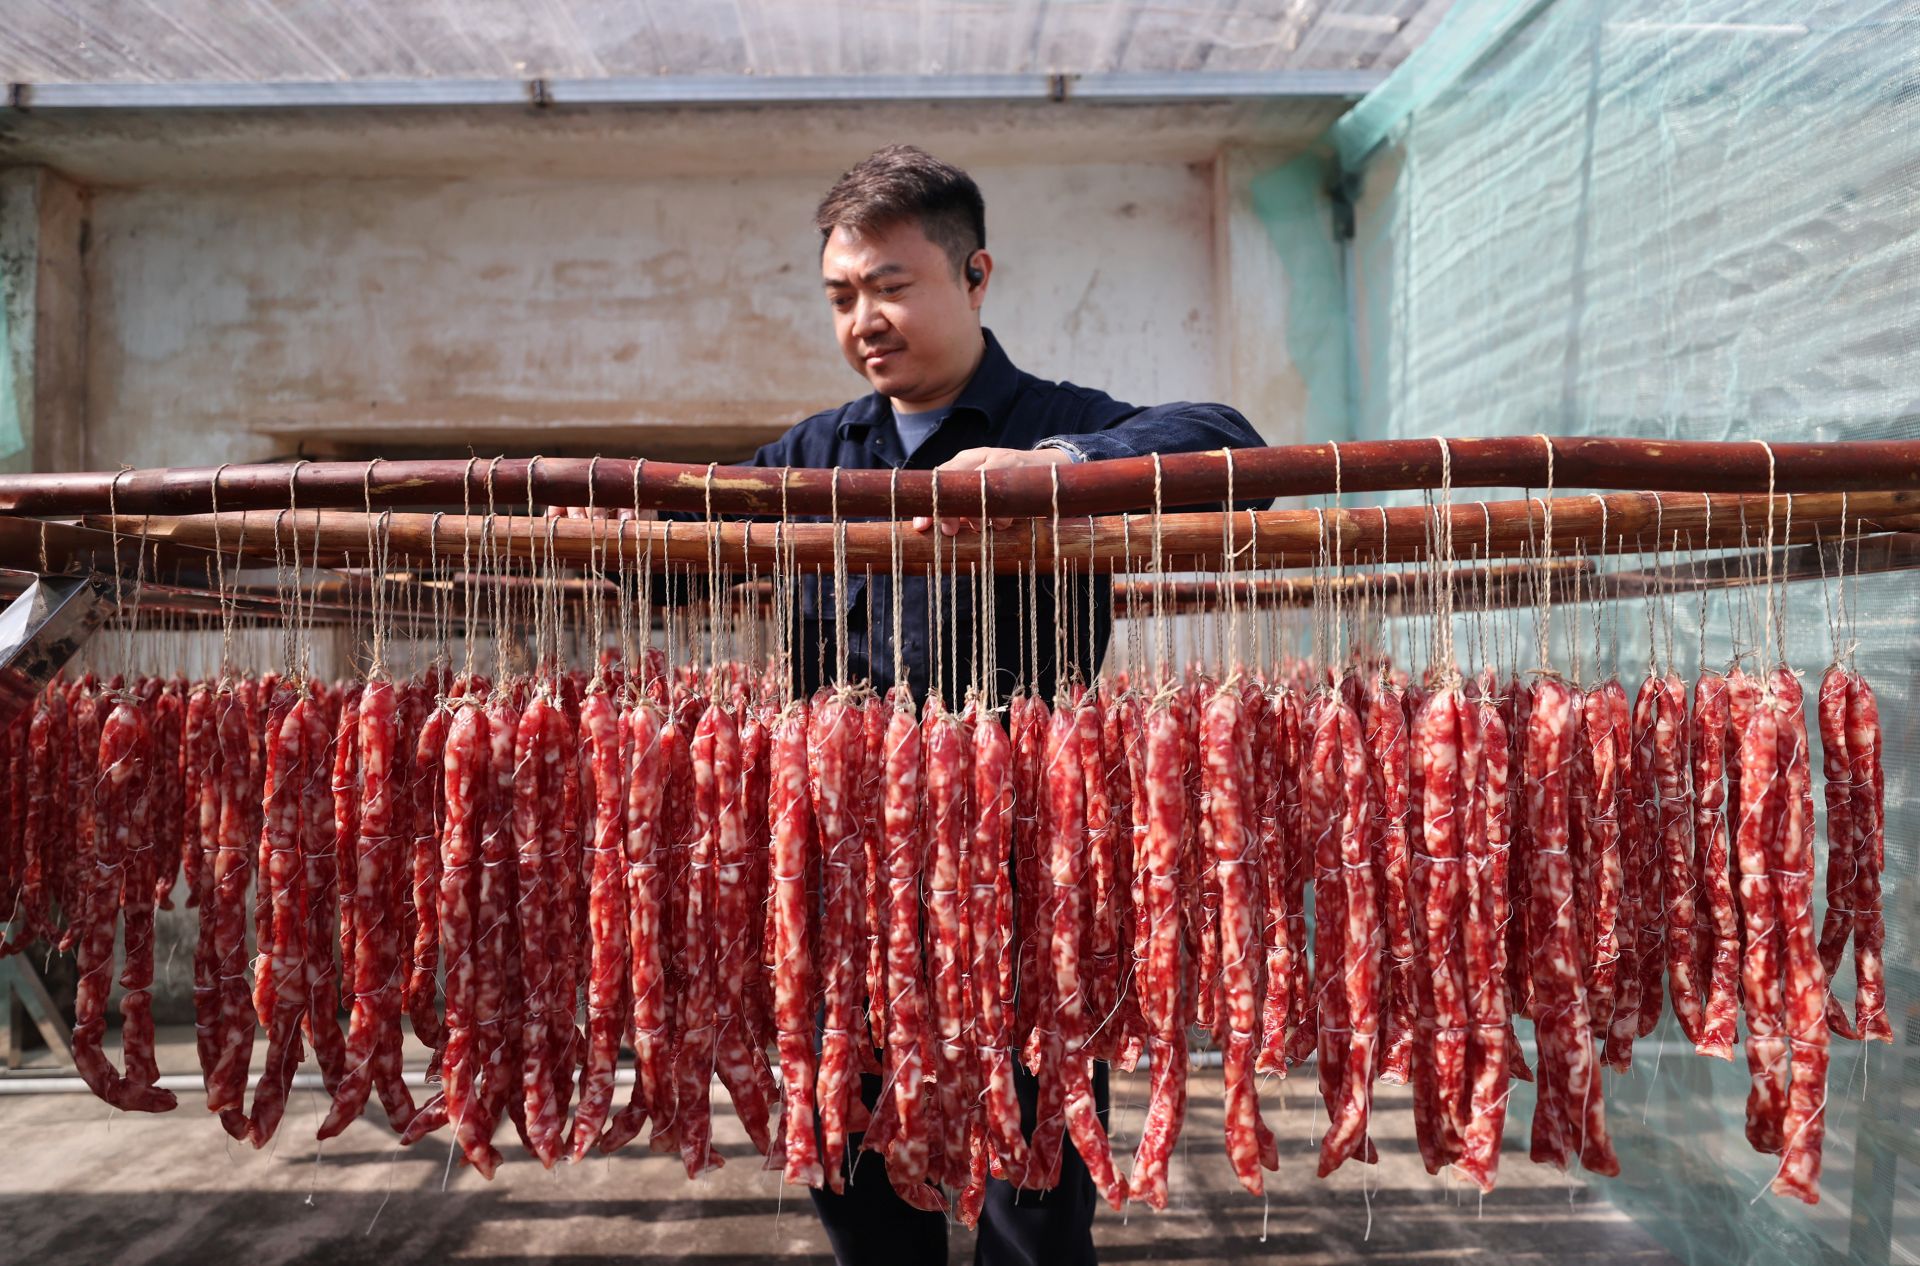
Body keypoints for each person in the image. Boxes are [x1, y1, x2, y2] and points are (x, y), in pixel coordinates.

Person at [599, 144, 1266, 1264]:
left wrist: (1056, 464)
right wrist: (615, 547)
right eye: (842, 296)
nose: (866, 318)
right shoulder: (814, 455)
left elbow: (1226, 437)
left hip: (1024, 867)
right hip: (844, 870)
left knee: (1035, 1188)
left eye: (893, 285)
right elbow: (694, 553)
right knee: (859, 1181)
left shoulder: (1062, 418)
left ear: (976, 277)